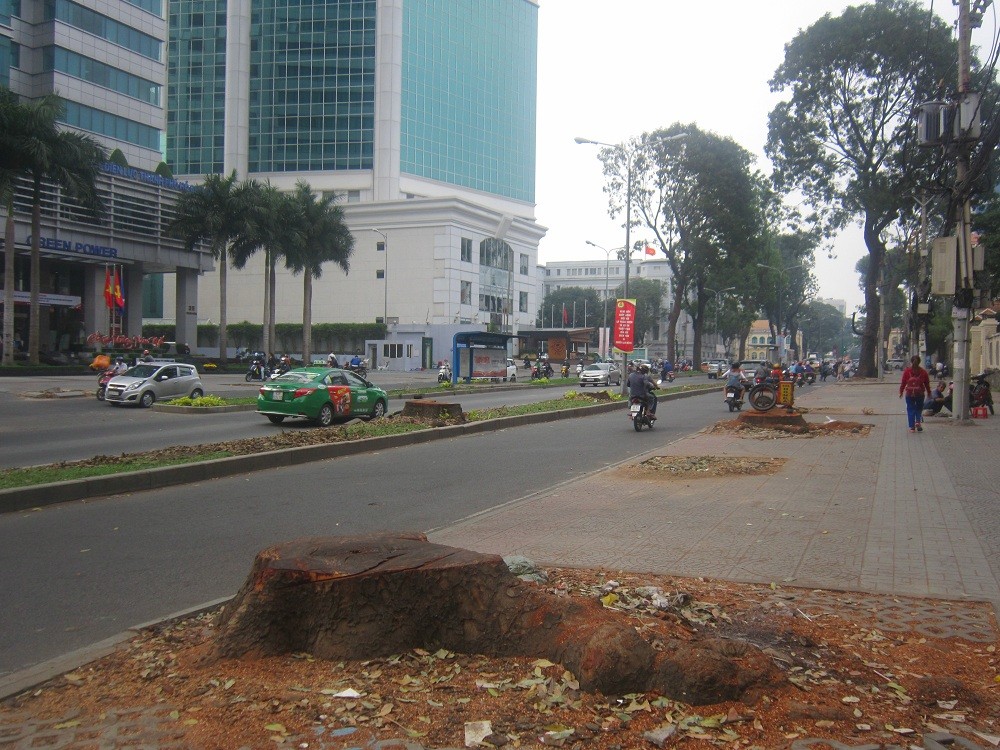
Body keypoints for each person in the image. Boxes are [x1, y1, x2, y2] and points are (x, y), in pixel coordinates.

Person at [899, 354, 932, 432]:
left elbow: (903, 382)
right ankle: (917, 421)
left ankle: (912, 427)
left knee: (910, 409)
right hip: (920, 393)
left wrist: (901, 392)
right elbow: (927, 383)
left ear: (911, 361)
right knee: (919, 408)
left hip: (909, 393)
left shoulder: (907, 371)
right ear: (919, 362)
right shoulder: (923, 372)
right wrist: (929, 392)